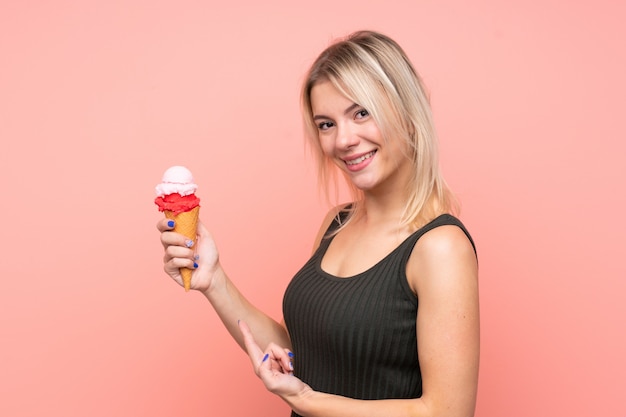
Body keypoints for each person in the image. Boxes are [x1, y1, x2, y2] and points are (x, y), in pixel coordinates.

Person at [157, 30, 479, 417]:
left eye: (361, 112)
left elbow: (446, 412)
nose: (343, 140)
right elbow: (300, 353)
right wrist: (214, 280)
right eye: (326, 124)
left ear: (408, 116)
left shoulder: (440, 247)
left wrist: (304, 400)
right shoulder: (336, 224)